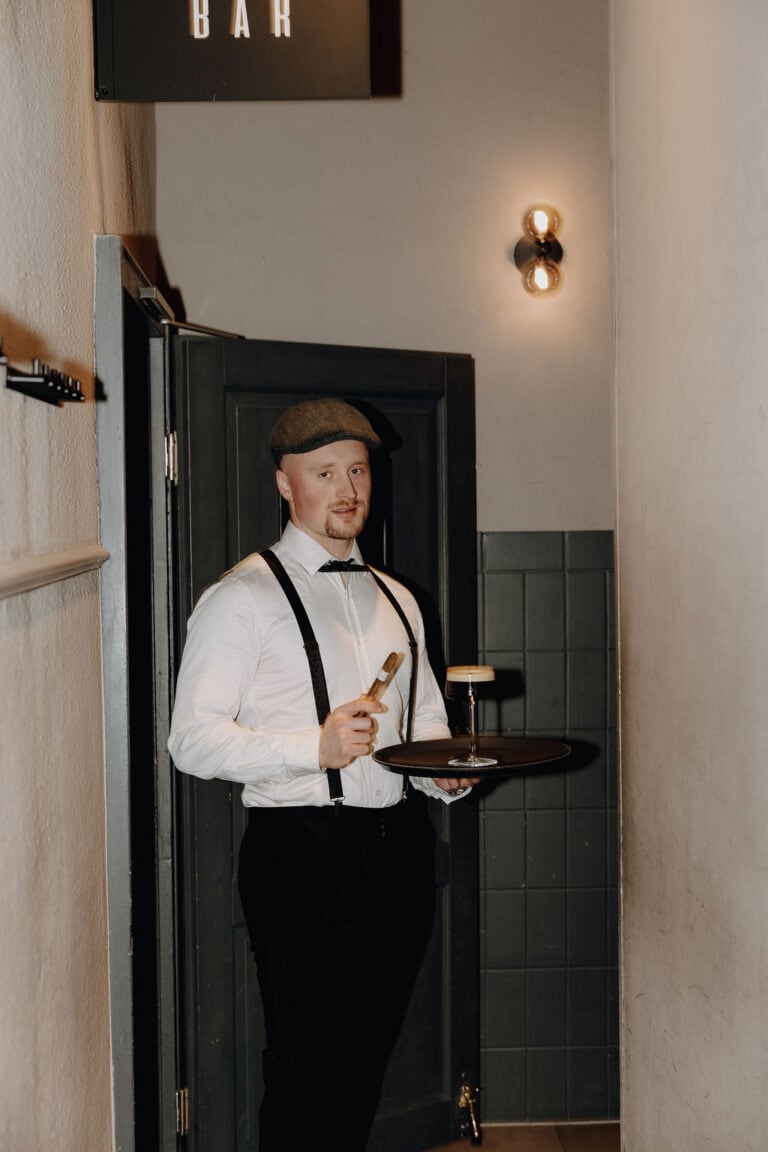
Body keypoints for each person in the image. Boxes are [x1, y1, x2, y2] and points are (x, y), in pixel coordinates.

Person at [168, 398, 478, 1152]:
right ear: (285, 485)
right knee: (306, 1066)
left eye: (358, 470)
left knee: (366, 1057)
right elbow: (190, 741)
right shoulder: (241, 599)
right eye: (324, 472)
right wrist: (313, 747)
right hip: (301, 853)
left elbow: (425, 717)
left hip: (396, 845)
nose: (347, 489)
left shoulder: (399, 598)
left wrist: (442, 772)